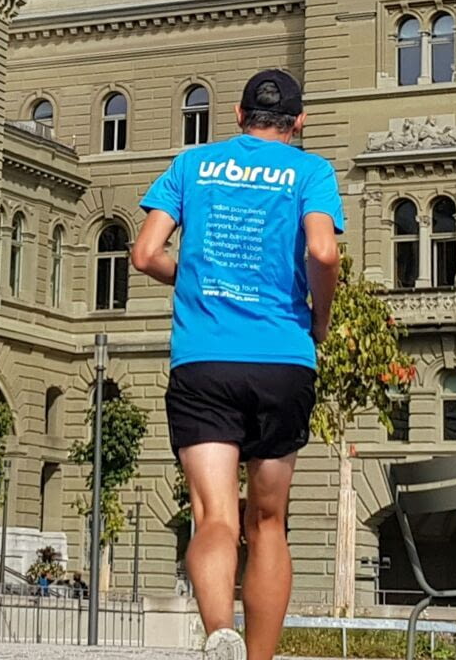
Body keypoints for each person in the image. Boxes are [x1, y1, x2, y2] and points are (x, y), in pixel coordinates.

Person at [133, 70, 343, 660]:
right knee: (269, 522)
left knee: (213, 516)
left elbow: (146, 253)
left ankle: (219, 630)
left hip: (204, 361)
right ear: (298, 121)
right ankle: (258, 659)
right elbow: (323, 251)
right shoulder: (310, 172)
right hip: (282, 360)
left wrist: (197, 277)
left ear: (236, 114)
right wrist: (318, 319)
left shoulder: (191, 165)